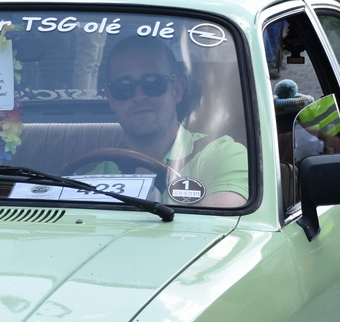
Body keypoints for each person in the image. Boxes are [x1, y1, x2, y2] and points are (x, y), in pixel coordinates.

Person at [95, 39, 247, 208]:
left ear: (177, 90)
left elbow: (222, 227)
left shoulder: (222, 156)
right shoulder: (92, 175)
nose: (139, 96)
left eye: (152, 82)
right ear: (110, 99)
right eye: (123, 87)